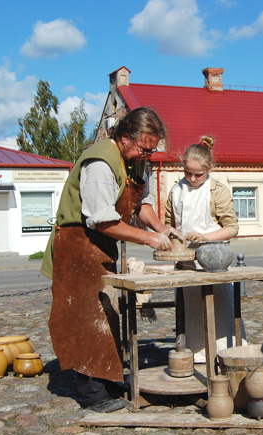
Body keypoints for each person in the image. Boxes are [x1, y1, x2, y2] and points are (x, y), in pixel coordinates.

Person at [40, 107, 180, 413]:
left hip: (100, 246)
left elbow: (139, 203)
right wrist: (148, 239)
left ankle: (109, 379)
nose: (147, 154)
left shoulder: (133, 161)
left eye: (152, 149)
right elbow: (102, 221)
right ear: (125, 137)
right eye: (144, 148)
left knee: (107, 315)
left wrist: (161, 228)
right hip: (77, 244)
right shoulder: (100, 163)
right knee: (86, 319)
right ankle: (92, 393)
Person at [164, 135, 243, 363]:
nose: (193, 178)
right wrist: (170, 234)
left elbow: (232, 228)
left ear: (210, 168)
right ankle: (194, 360)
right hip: (186, 263)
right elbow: (169, 223)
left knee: (220, 314)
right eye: (188, 173)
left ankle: (225, 360)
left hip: (214, 262)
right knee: (190, 314)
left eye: (199, 174)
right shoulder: (176, 191)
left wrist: (204, 237)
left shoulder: (217, 191)